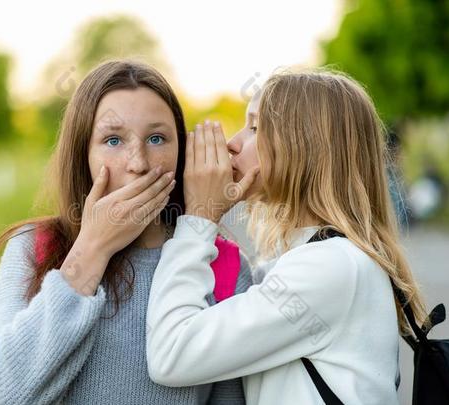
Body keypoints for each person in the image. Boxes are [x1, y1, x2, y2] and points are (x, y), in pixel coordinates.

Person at [146, 69, 429, 404]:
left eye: (254, 128)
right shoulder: (328, 258)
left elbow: (172, 355)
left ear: (305, 147)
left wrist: (198, 218)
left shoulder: (330, 267)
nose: (233, 144)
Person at [0, 60, 252, 405]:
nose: (137, 162)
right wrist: (92, 248)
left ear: (180, 151)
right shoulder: (36, 248)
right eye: (113, 140)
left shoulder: (223, 265)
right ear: (83, 154)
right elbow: (6, 392)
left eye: (157, 138)